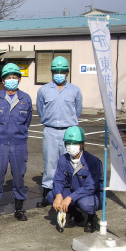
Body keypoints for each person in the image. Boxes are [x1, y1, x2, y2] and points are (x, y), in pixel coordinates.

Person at [0, 63, 32, 222]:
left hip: (19, 144)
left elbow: (27, 121)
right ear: (3, 81)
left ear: (19, 79)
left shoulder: (26, 98)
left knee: (19, 176)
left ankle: (19, 209)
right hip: (0, 144)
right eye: (8, 77)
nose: (11, 80)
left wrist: (17, 132)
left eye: (14, 77)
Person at [36, 56, 83, 208]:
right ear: (51, 72)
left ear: (67, 72)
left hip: (69, 132)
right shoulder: (44, 90)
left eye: (62, 71)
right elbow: (41, 110)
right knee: (50, 162)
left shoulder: (75, 90)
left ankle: (69, 193)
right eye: (56, 71)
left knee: (70, 162)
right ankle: (47, 194)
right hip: (50, 130)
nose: (59, 73)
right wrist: (49, 121)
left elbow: (78, 110)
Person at [47, 126, 103, 233]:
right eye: (68, 143)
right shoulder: (63, 159)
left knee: (85, 204)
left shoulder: (92, 161)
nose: (70, 146)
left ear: (82, 144)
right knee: (51, 196)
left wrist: (70, 198)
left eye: (74, 143)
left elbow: (90, 187)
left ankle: (91, 218)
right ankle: (74, 214)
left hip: (90, 195)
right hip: (73, 191)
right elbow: (58, 180)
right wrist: (59, 195)